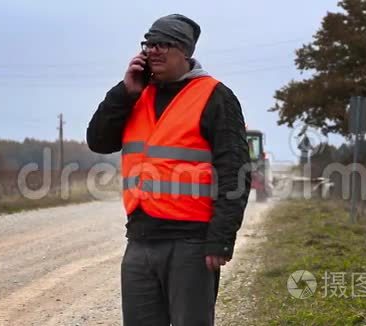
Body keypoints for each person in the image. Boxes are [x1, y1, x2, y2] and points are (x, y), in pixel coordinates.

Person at [86, 14, 251, 326]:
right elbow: (98, 140)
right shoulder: (135, 95)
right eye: (149, 44)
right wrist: (124, 92)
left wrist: (221, 239)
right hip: (139, 241)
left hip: (191, 245)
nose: (154, 51)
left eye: (164, 44)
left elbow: (236, 172)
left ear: (185, 52)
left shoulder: (215, 96)